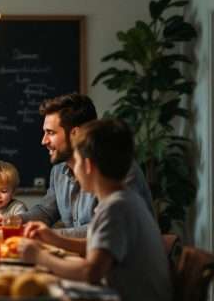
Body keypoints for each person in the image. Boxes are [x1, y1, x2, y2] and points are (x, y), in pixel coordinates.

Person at [21, 119, 173, 301]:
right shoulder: (122, 199)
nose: (72, 169)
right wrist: (53, 238)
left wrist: (40, 257)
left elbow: (90, 271)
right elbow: (98, 250)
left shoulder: (116, 208)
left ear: (88, 165)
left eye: (74, 161)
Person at [21, 93, 153, 237]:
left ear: (75, 134)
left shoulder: (115, 170)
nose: (43, 141)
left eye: (51, 133)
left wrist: (51, 236)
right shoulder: (58, 170)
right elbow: (47, 210)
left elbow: (106, 230)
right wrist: (16, 220)